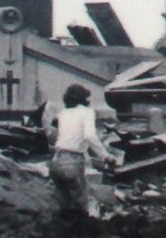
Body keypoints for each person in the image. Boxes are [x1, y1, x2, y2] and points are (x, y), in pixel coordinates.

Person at [47, 85, 119, 215]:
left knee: (63, 204)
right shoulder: (87, 112)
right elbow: (89, 136)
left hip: (55, 161)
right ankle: (82, 230)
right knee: (80, 203)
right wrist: (105, 155)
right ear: (84, 98)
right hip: (72, 162)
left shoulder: (63, 113)